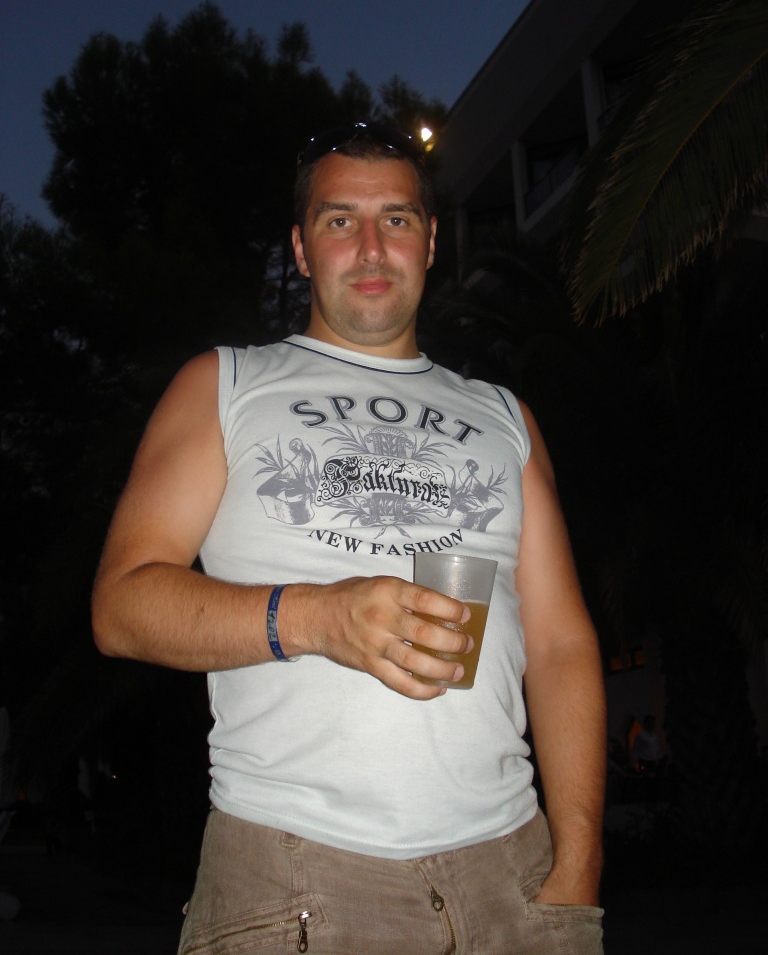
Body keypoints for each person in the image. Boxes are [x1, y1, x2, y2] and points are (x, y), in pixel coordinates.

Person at [92, 122, 606, 954]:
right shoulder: (225, 384)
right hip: (293, 872)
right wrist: (320, 618)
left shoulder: (505, 416)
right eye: (340, 221)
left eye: (396, 219)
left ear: (430, 242)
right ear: (301, 249)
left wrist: (578, 862)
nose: (371, 247)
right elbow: (121, 606)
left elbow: (559, 642)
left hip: (513, 875)